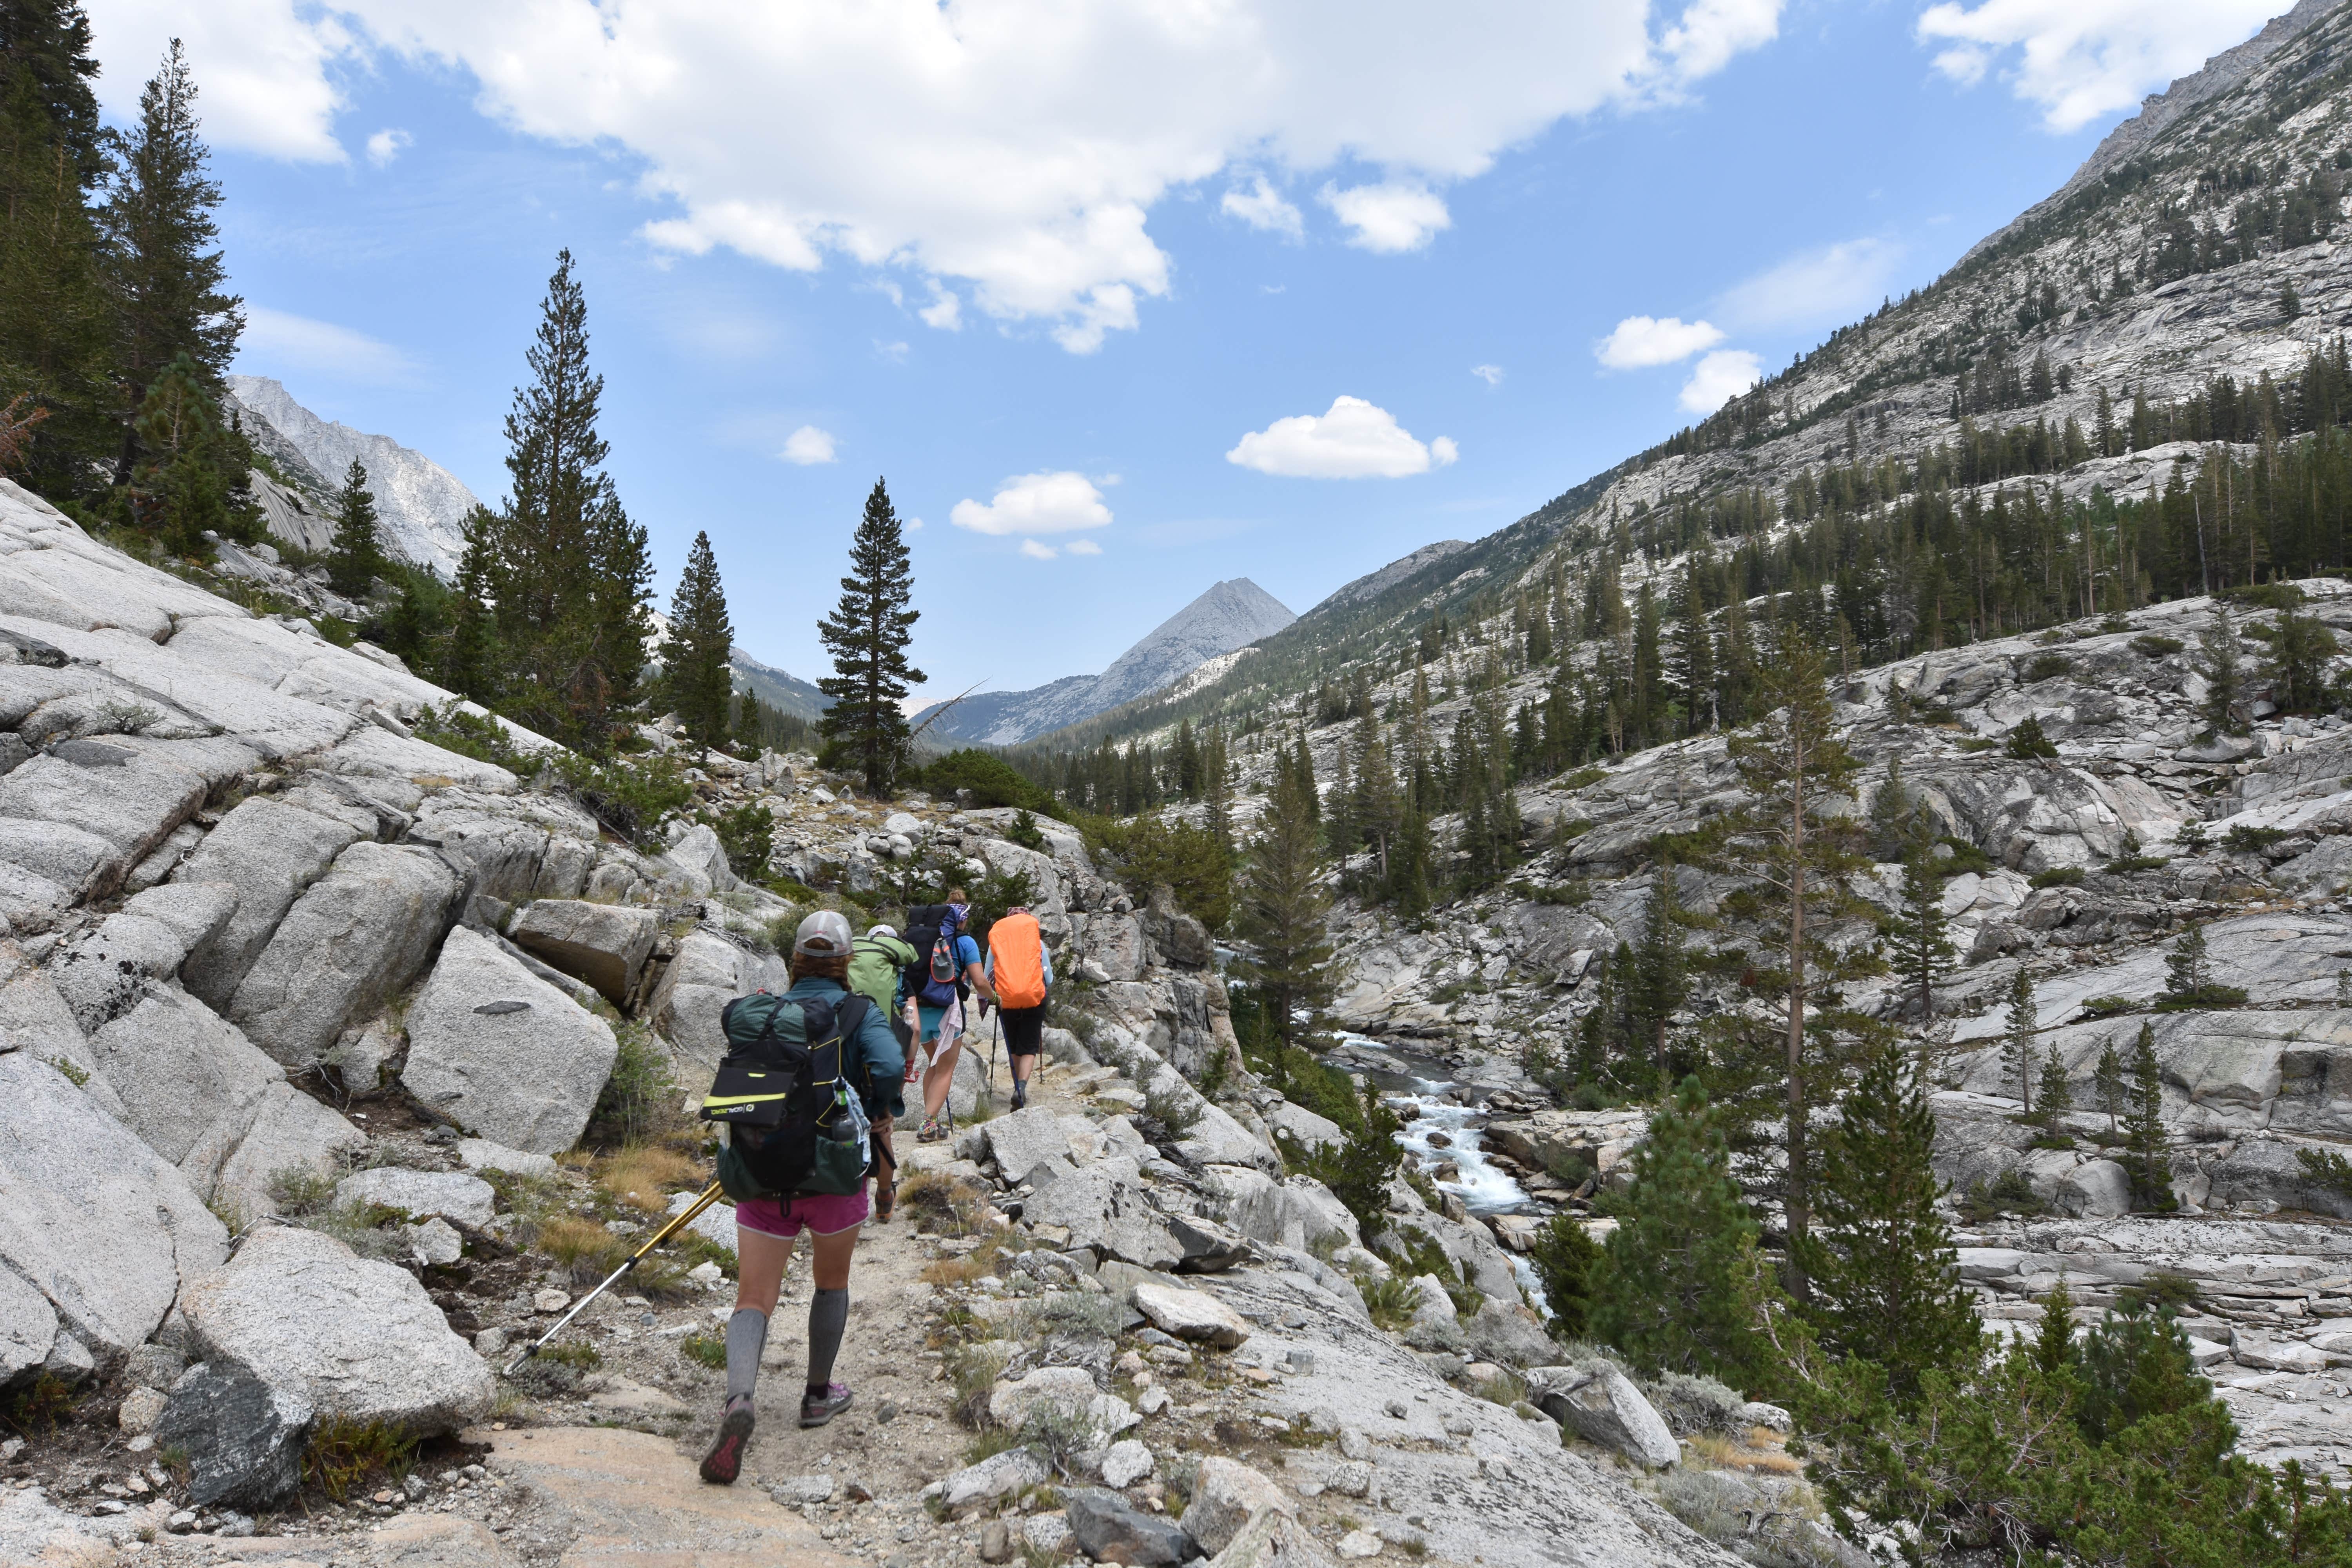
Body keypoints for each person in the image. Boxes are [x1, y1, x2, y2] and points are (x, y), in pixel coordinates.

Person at [701, 910, 904, 1486]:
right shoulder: (858, 1011)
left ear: (795, 960)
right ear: (845, 962)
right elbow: (889, 1066)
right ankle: (817, 1395)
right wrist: (882, 1102)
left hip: (764, 1171)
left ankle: (739, 1399)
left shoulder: (769, 1015)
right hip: (835, 1176)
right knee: (830, 1284)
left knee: (753, 1297)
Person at [910, 887, 996, 1142]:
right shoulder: (965, 942)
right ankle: (928, 1125)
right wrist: (995, 998)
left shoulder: (924, 939)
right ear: (963, 919)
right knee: (946, 1070)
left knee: (933, 1065)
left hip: (919, 1009)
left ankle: (932, 1122)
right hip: (947, 1011)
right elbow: (980, 981)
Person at [848, 922, 917, 1221]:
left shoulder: (848, 962)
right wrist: (906, 1070)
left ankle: (849, 1200)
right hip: (883, 1055)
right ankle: (885, 1197)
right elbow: (914, 1027)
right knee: (882, 1127)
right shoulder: (900, 976)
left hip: (847, 1050)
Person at [985, 904, 1052, 1111]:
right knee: (1030, 1045)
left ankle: (1016, 1085)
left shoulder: (996, 943)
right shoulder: (1038, 943)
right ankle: (1022, 1088)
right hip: (1034, 999)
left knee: (1014, 1045)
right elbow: (1048, 978)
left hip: (1007, 1000)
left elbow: (988, 974)